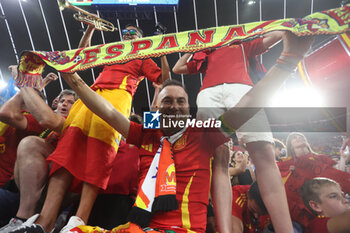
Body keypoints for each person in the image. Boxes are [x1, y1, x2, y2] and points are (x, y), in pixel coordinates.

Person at [10, 31, 312, 233]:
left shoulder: (204, 133)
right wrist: (74, 79)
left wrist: (287, 62)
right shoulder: (146, 135)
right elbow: (108, 111)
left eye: (181, 101)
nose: (175, 106)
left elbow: (247, 103)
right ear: (157, 106)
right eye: (167, 100)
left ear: (188, 107)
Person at [17, 23, 170, 233]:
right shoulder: (111, 54)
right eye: (124, 33)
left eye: (133, 33)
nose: (127, 35)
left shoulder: (146, 138)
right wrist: (90, 30)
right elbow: (80, 58)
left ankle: (78, 222)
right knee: (67, 150)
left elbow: (164, 88)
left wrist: (161, 51)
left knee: (99, 153)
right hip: (91, 97)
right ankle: (43, 222)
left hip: (123, 198)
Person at [172, 31, 291, 233]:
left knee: (263, 153)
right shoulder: (206, 53)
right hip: (209, 94)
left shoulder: (242, 44)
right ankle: (224, 230)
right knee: (219, 159)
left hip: (241, 89)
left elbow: (278, 35)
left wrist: (286, 25)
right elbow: (178, 68)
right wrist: (191, 49)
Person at [0, 88, 77, 233]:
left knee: (31, 143)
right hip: (22, 189)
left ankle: (25, 218)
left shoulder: (77, 124)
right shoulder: (44, 124)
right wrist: (24, 87)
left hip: (59, 188)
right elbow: (6, 113)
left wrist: (26, 85)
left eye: (70, 102)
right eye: (62, 101)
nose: (64, 104)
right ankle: (23, 220)